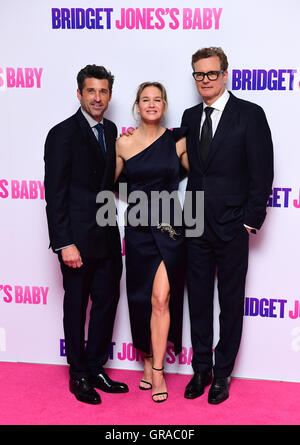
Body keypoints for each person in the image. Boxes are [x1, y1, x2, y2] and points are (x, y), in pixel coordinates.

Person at [182, 47, 273, 404]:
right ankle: (200, 368)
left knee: (230, 302)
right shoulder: (189, 117)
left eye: (211, 73)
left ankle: (222, 374)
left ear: (224, 74)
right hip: (195, 226)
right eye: (199, 74)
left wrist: (251, 220)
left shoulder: (250, 114)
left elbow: (262, 170)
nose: (205, 80)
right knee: (199, 301)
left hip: (233, 225)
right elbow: (177, 166)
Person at [44, 64, 128, 405]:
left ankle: (95, 367)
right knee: (77, 307)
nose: (97, 97)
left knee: (107, 304)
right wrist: (65, 243)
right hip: (76, 241)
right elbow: (55, 193)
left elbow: (110, 184)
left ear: (109, 95)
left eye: (103, 91)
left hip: (107, 237)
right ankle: (77, 374)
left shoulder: (110, 131)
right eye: (91, 91)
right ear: (79, 93)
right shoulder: (62, 133)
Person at [115, 82, 188, 402]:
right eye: (146, 99)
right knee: (142, 298)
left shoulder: (178, 140)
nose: (152, 104)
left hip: (171, 227)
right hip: (138, 228)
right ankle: (146, 361)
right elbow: (107, 183)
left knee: (162, 298)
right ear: (137, 106)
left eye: (157, 99)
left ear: (165, 104)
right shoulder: (123, 143)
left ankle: (157, 371)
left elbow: (201, 173)